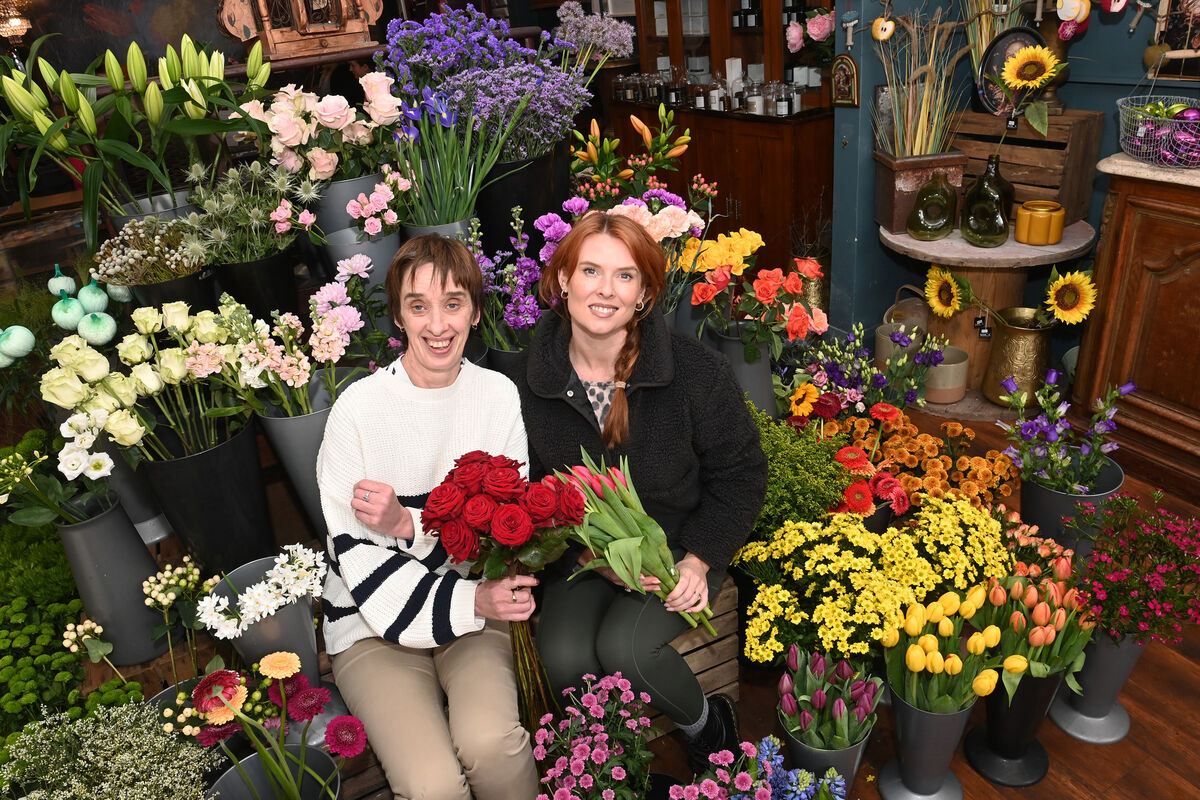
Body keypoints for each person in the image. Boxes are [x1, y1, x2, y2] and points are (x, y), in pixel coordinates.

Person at [514, 212, 768, 771]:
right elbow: (527, 496)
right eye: (590, 271)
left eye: (625, 276)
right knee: (562, 655)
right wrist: (586, 555)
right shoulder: (529, 381)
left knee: (625, 651)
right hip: (583, 558)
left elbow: (742, 473)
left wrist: (701, 561)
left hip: (678, 550)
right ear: (562, 281)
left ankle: (708, 724)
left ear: (646, 293)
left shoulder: (695, 372)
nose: (605, 290)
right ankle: (610, 769)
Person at [317, 235, 538, 800]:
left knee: (493, 745)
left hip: (474, 600)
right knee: (433, 785)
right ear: (398, 314)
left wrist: (409, 527)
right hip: (372, 624)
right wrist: (460, 576)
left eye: (454, 303)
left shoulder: (497, 396)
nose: (437, 325)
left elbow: (501, 532)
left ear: (477, 311)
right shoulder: (358, 412)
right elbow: (367, 565)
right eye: (419, 306)